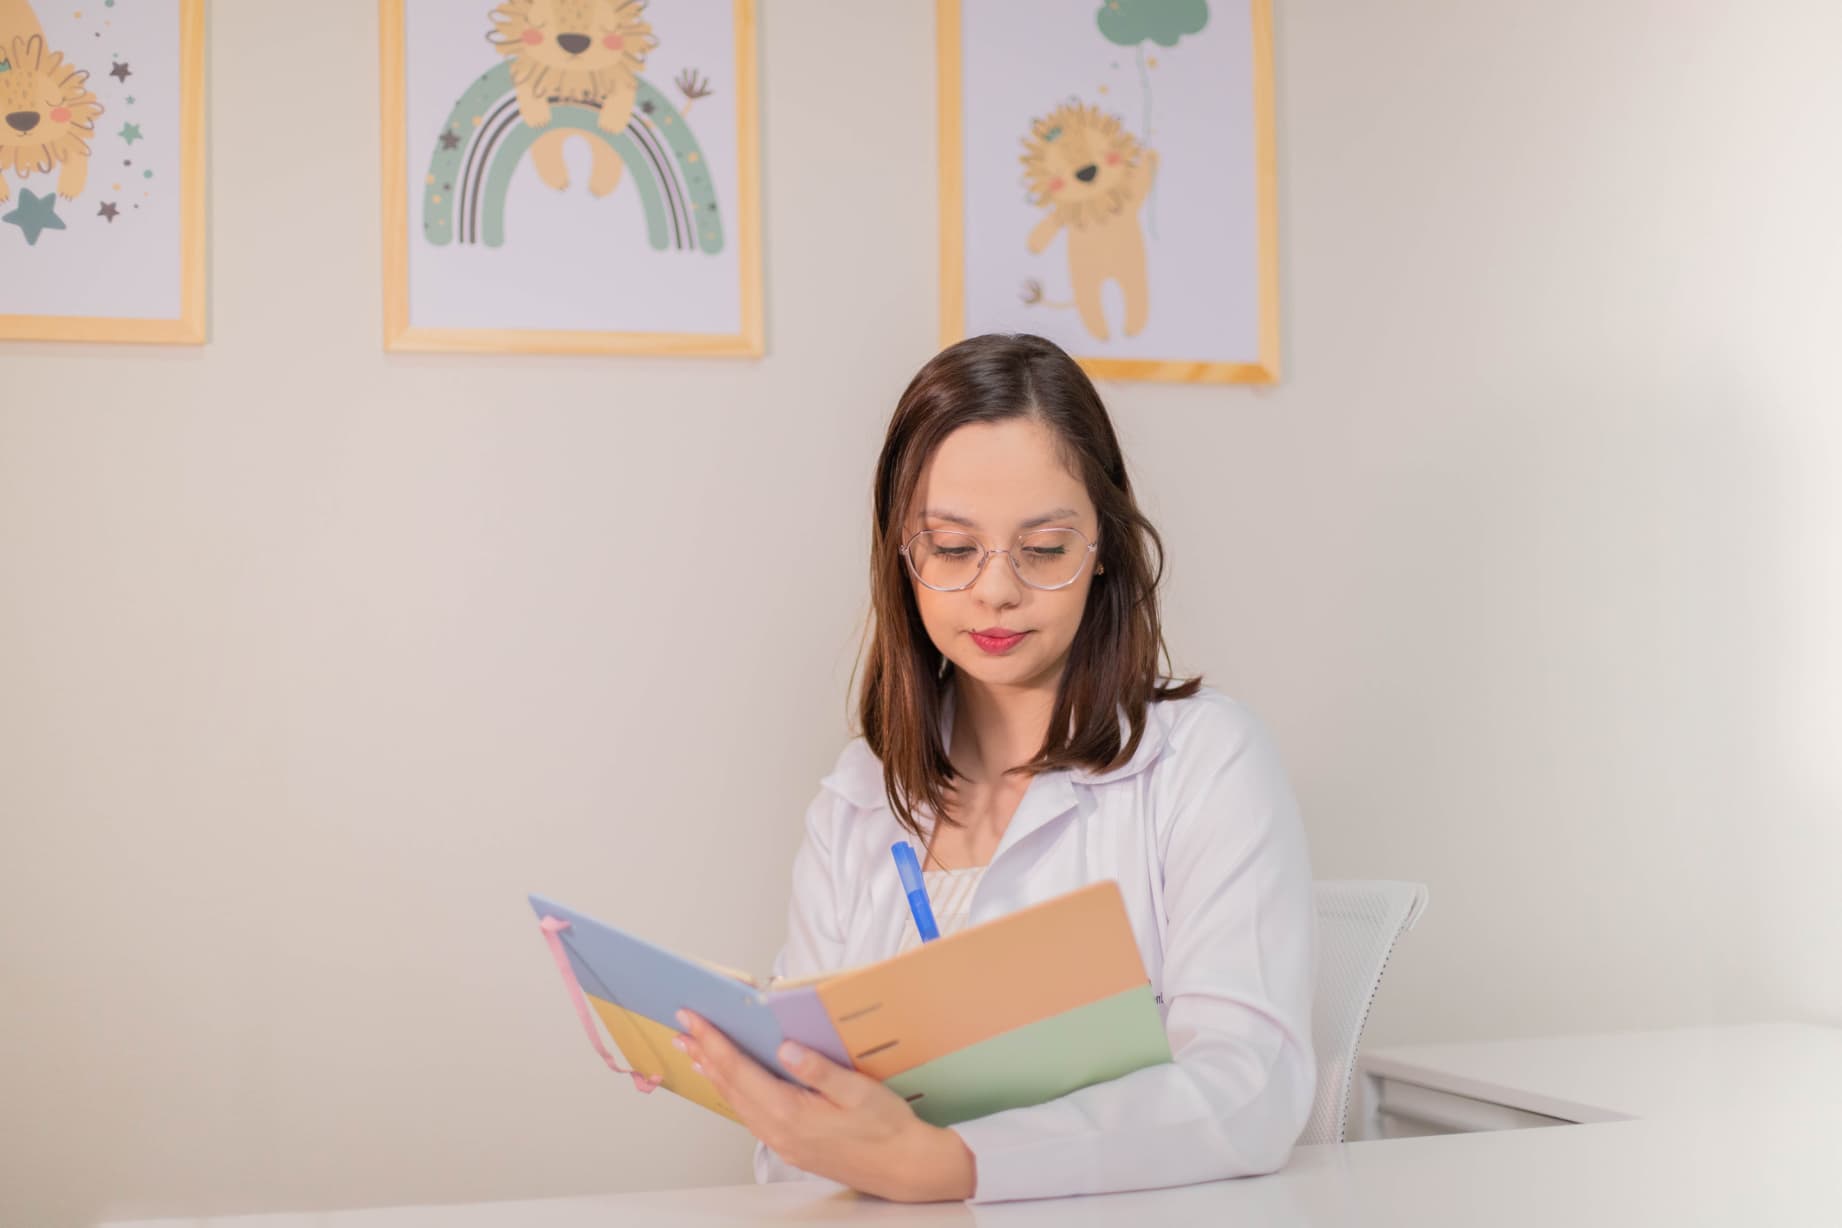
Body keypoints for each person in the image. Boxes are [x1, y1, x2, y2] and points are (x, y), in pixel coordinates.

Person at [671, 333, 1316, 1203]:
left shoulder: (1203, 762)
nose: (996, 590)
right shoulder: (859, 798)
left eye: (1045, 549)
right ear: (902, 554)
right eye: (950, 547)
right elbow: (797, 1153)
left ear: (1106, 550)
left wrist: (950, 1166)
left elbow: (1251, 1087)